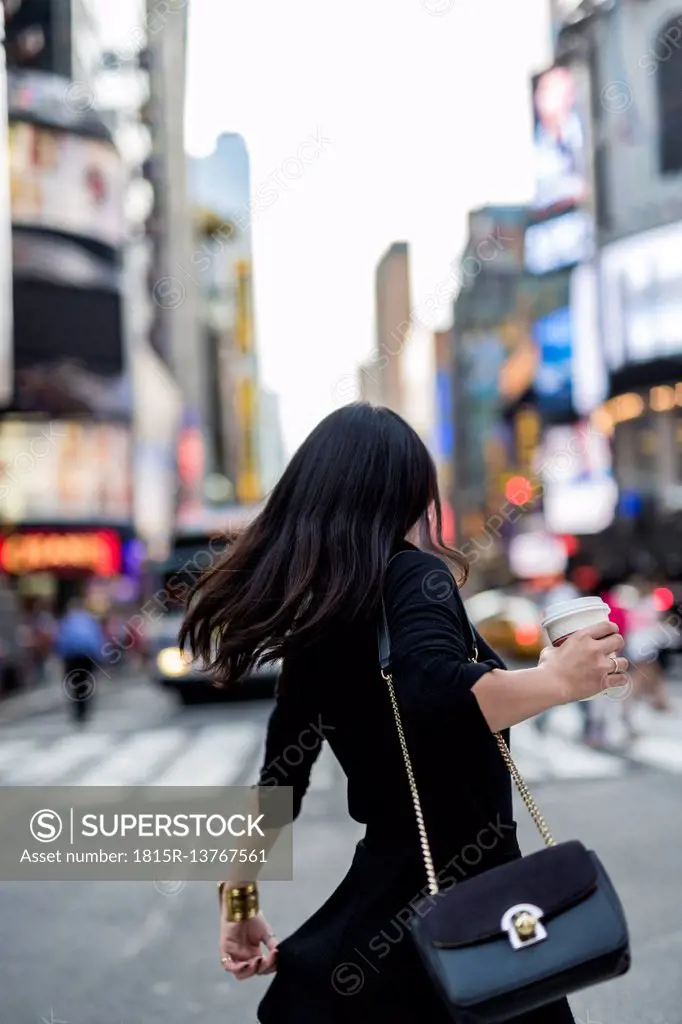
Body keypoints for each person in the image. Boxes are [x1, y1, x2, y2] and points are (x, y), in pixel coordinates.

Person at [179, 404, 626, 1024]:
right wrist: (555, 680)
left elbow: (282, 780)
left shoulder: (321, 614)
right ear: (405, 492)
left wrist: (239, 897)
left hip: (387, 905)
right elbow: (436, 693)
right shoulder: (416, 578)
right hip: (467, 903)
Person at [55, 597, 106, 724]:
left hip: (72, 658)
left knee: (74, 684)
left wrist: (61, 656)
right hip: (87, 657)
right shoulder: (89, 620)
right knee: (87, 682)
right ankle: (84, 708)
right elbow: (96, 639)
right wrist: (100, 656)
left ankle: (78, 709)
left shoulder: (67, 621)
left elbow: (61, 640)